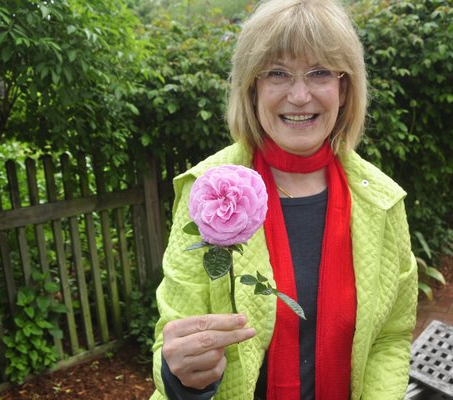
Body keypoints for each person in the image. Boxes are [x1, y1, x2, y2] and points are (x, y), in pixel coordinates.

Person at [150, 0, 418, 399]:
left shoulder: (381, 200)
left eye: (320, 72)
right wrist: (183, 379)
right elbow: (174, 342)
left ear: (343, 89)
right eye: (277, 73)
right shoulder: (208, 190)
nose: (299, 95)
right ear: (252, 87)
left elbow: (391, 337)